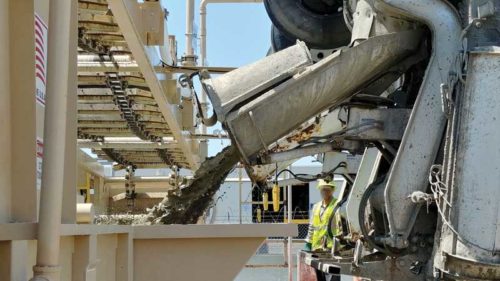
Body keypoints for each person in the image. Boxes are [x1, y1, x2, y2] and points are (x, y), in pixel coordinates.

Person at [305, 179, 339, 252]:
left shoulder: (338, 205)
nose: (324, 192)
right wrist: (308, 242)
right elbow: (312, 226)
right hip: (317, 247)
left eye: (327, 189)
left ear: (333, 190)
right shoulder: (316, 206)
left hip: (331, 247)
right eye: (323, 189)